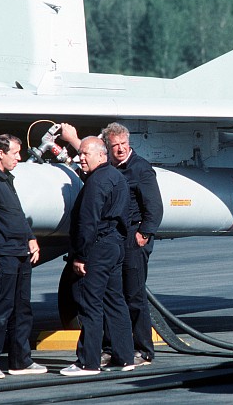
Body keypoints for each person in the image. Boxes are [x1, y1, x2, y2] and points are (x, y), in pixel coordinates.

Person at [61, 122, 163, 367]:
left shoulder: (140, 169)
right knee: (114, 296)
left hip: (134, 237)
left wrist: (144, 233)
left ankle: (142, 349)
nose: (119, 149)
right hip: (117, 237)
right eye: (115, 145)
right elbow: (91, 153)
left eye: (123, 144)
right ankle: (114, 348)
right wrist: (74, 139)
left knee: (134, 295)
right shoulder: (109, 169)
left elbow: (155, 206)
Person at [0, 134, 47, 379]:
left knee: (22, 309)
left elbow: (15, 214)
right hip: (2, 254)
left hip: (20, 252)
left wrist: (31, 237)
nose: (19, 157)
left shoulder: (6, 179)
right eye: (15, 152)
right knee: (0, 308)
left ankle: (20, 361)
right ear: (0, 153)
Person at [60, 136, 136, 376]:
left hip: (97, 248)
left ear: (102, 155)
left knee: (90, 304)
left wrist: (81, 255)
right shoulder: (117, 178)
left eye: (86, 154)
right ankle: (124, 357)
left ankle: (88, 362)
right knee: (115, 302)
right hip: (114, 246)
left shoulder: (96, 182)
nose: (80, 158)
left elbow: (88, 221)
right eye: (80, 153)